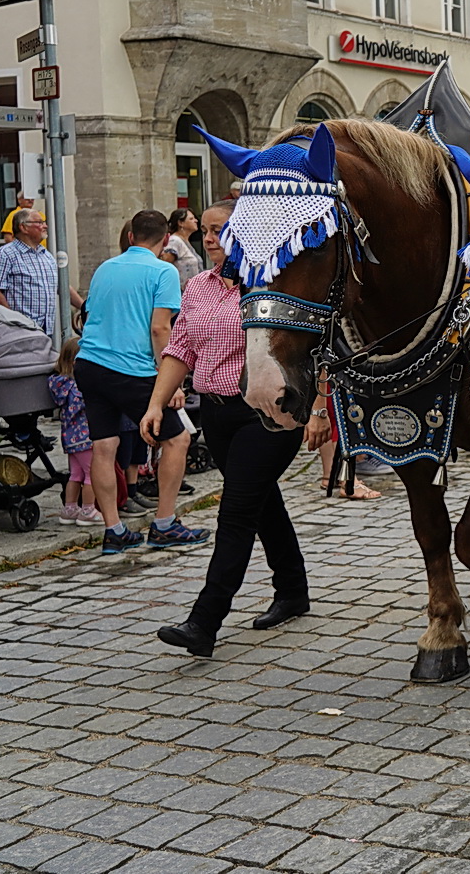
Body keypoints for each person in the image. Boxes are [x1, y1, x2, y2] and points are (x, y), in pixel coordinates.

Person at [148, 202, 312, 658]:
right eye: (205, 231)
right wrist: (156, 404)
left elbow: (310, 349)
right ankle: (293, 588)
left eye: (221, 229)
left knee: (236, 512)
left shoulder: (274, 284)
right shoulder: (198, 286)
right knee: (260, 502)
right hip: (216, 416)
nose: (211, 238)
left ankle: (205, 621)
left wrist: (320, 411)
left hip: (267, 415)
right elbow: (180, 348)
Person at [75, 210, 207, 554]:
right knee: (177, 439)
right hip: (131, 370)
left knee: (104, 446)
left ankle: (114, 530)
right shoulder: (163, 270)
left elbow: (90, 313)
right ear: (165, 240)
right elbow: (160, 328)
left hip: (90, 364)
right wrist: (172, 381)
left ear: (130, 236)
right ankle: (164, 524)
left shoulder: (106, 267)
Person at [0, 209, 82, 336]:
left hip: (46, 332)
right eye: (39, 222)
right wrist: (13, 323)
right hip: (17, 331)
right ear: (24, 227)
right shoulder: (4, 255)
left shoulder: (46, 256)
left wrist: (84, 307)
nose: (45, 226)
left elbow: (62, 286)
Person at [49, 338, 98, 526]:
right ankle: (88, 509)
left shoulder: (62, 385)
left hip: (70, 438)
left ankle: (69, 509)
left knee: (75, 474)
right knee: (91, 474)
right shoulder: (79, 387)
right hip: (84, 436)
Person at [162, 209, 204, 285]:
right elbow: (165, 265)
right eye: (191, 219)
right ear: (180, 223)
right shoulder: (175, 241)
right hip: (181, 292)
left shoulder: (185, 242)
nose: (196, 221)